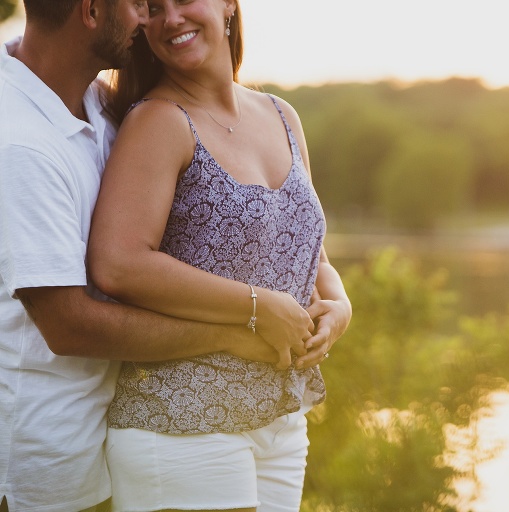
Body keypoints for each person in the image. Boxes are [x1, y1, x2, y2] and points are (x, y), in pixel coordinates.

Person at [0, 1, 313, 510]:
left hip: (97, 443)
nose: (151, 20)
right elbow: (68, 324)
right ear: (91, 10)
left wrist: (334, 302)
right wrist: (237, 332)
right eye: (140, 3)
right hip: (40, 464)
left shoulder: (96, 103)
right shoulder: (20, 143)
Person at [85, 0, 352, 510]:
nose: (171, 19)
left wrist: (339, 307)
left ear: (228, 5)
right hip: (182, 420)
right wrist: (258, 306)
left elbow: (311, 255)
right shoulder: (159, 122)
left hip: (280, 425)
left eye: (184, 0)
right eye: (154, 8)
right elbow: (118, 263)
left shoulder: (281, 114)